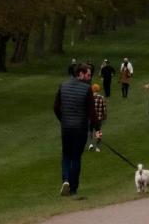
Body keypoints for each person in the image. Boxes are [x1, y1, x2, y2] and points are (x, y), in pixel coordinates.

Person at [54, 63, 95, 197]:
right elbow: (92, 112)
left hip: (66, 127)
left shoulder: (63, 86)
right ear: (81, 74)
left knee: (66, 154)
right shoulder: (86, 89)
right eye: (86, 74)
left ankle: (65, 179)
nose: (88, 78)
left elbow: (56, 107)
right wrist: (95, 128)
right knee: (76, 157)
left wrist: (63, 119)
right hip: (80, 128)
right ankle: (73, 188)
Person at [87, 83, 107, 152]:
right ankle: (97, 147)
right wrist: (104, 117)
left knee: (90, 131)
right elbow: (104, 109)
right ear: (98, 89)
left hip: (91, 118)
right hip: (99, 118)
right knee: (98, 132)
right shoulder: (101, 98)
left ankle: (90, 144)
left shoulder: (90, 98)